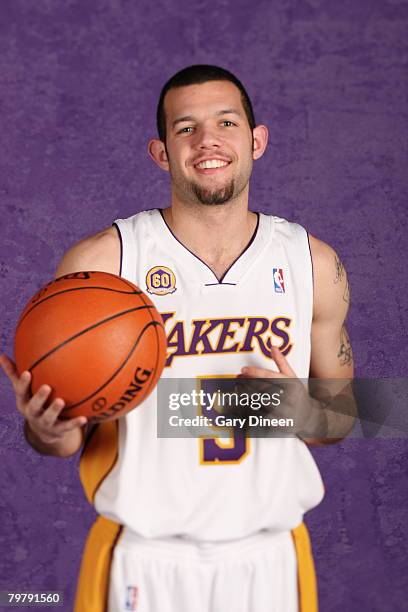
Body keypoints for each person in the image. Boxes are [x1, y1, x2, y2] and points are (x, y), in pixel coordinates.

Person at [0, 65, 356, 612]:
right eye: (185, 127)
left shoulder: (313, 263)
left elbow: (344, 417)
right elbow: (65, 439)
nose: (207, 140)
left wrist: (301, 414)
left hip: (269, 557)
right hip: (146, 557)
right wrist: (46, 427)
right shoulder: (104, 263)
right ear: (161, 152)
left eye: (226, 122)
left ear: (256, 141)